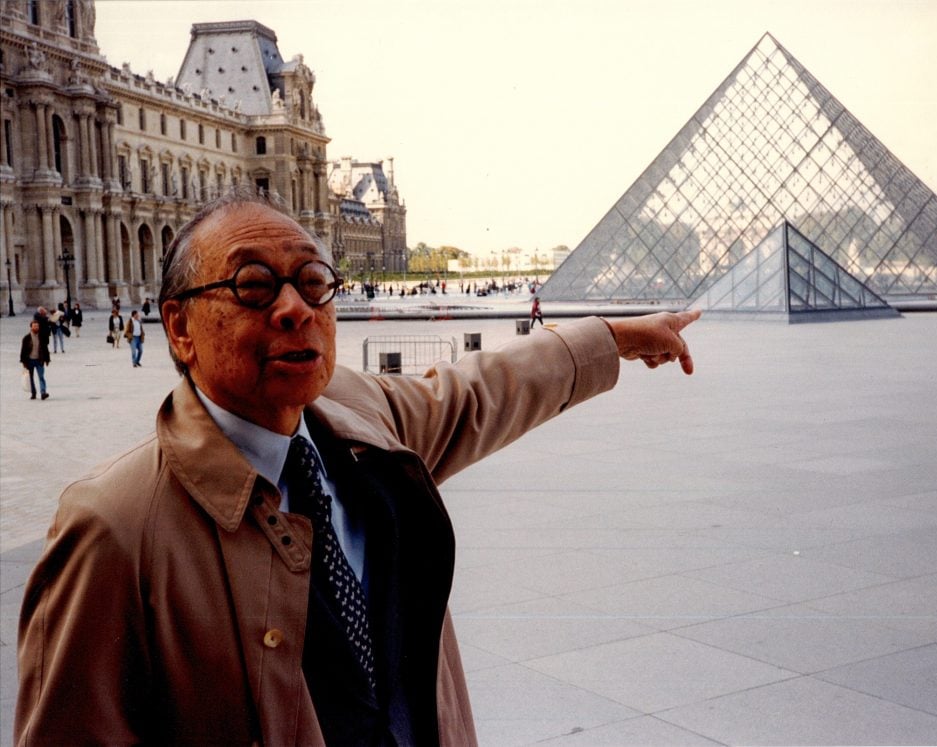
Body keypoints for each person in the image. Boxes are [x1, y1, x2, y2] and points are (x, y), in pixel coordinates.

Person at [15, 189, 700, 745]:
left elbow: (479, 388)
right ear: (180, 326)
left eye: (314, 282)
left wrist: (609, 337)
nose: (295, 308)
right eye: (254, 286)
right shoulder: (113, 526)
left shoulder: (360, 412)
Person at [19, 319, 51, 400]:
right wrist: (23, 361)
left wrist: (47, 359)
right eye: (34, 326)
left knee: (41, 377)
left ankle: (43, 392)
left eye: (37, 326)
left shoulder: (42, 337)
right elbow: (23, 350)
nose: (36, 327)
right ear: (31, 327)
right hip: (30, 360)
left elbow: (45, 349)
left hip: (39, 360)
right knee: (31, 378)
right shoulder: (26, 338)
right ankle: (33, 393)